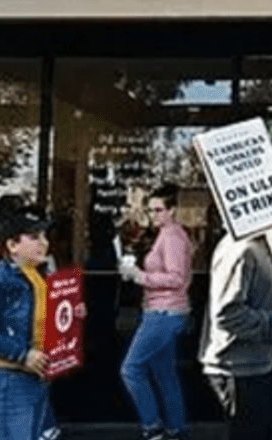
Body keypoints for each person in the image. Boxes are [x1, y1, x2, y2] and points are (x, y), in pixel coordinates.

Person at [199, 222, 272, 440]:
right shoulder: (242, 250)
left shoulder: (254, 247)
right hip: (239, 368)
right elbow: (228, 315)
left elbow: (246, 302)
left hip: (250, 365)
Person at [0, 206, 59, 440]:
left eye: (45, 237)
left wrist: (70, 313)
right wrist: (23, 354)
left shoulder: (38, 278)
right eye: (35, 237)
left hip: (35, 379)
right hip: (8, 381)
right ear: (12, 245)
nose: (44, 243)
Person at [119, 184, 195, 440]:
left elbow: (176, 278)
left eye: (160, 210)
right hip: (166, 311)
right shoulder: (170, 234)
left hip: (164, 312)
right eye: (151, 211)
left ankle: (152, 427)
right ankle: (177, 428)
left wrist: (139, 276)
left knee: (131, 369)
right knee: (165, 374)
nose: (155, 215)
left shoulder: (172, 236)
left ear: (172, 210)